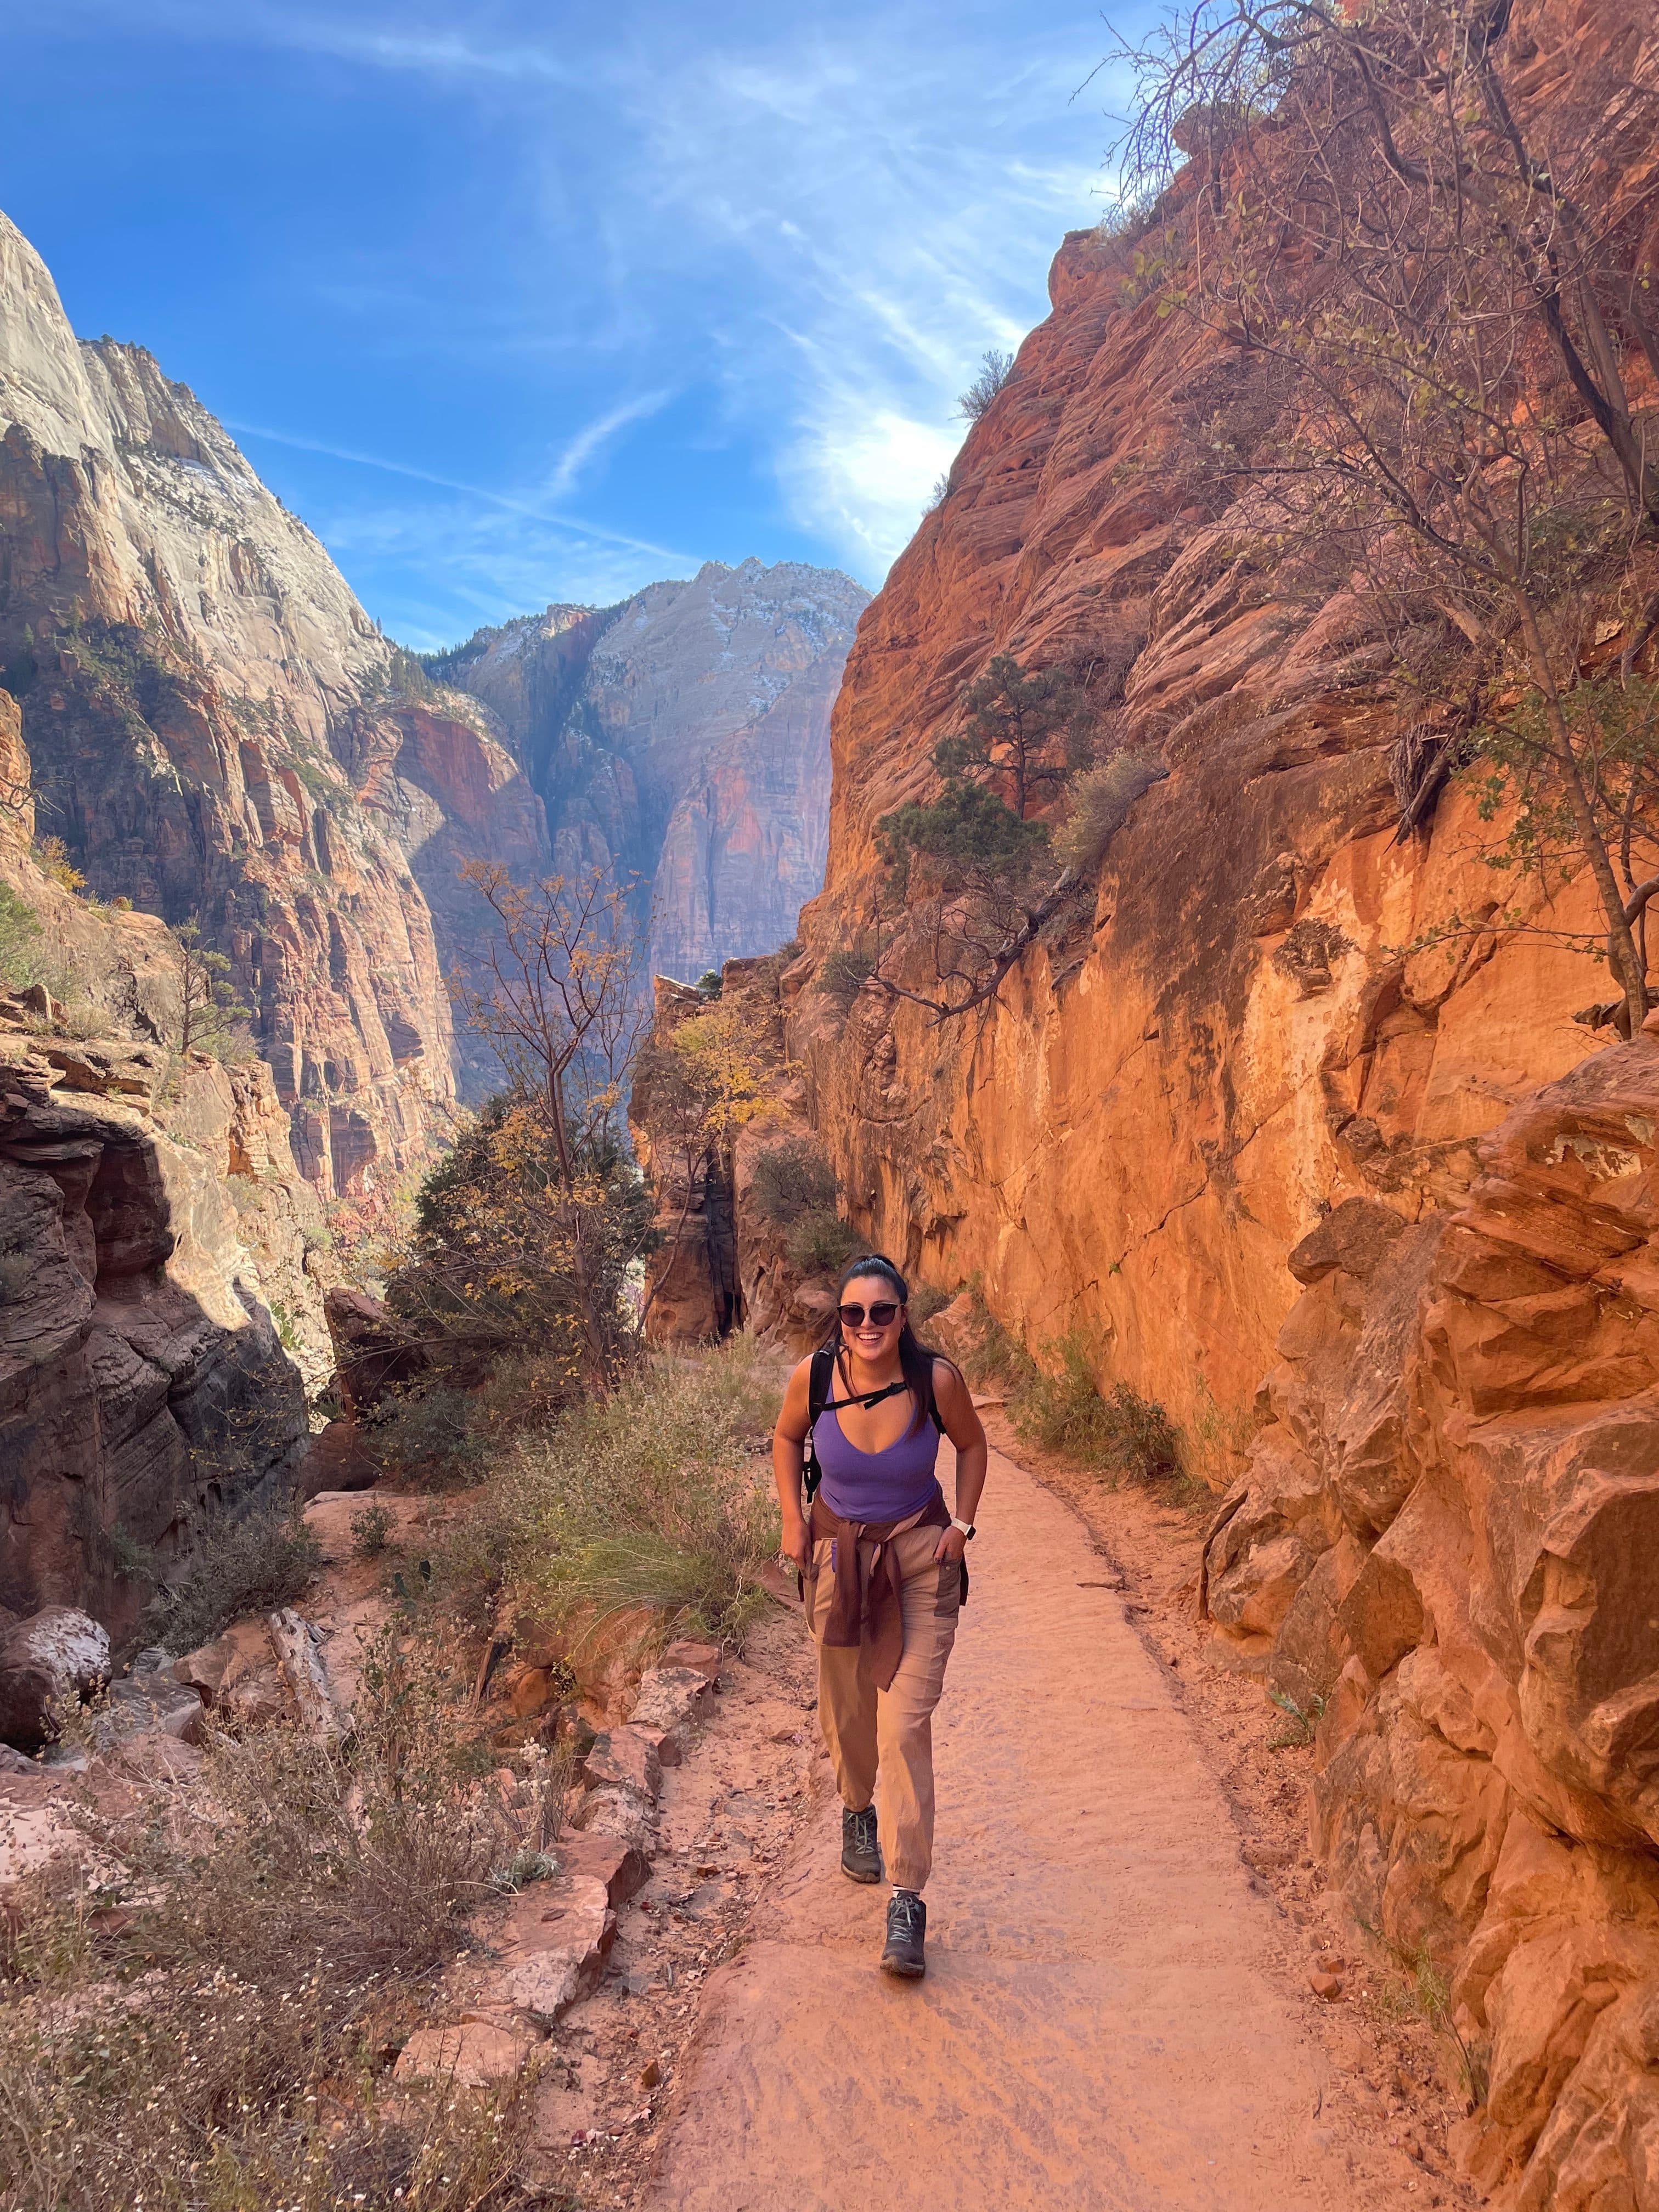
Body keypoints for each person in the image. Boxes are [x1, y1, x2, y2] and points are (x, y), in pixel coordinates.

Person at [772, 1253, 988, 1978]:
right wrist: (791, 1523)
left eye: (882, 1311)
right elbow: (784, 1438)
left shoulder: (936, 1381)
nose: (868, 1325)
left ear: (903, 1317)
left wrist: (964, 1525)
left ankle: (907, 1896)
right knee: (847, 1713)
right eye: (853, 1313)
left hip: (920, 1563)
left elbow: (973, 1445)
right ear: (840, 1320)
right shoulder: (815, 1376)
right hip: (836, 1559)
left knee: (903, 1726)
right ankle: (856, 1807)